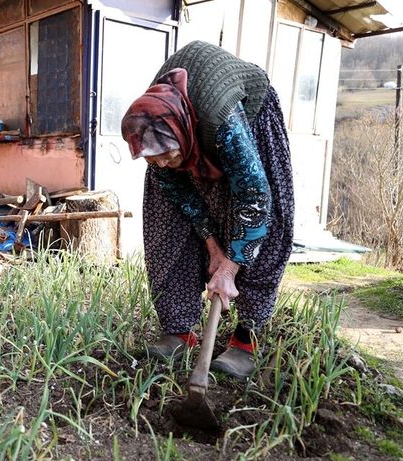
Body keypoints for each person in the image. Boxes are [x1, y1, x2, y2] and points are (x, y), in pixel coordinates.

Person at [120, 41, 295, 380]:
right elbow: (182, 196)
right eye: (152, 157)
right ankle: (179, 332)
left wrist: (230, 267)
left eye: (166, 155)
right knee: (165, 221)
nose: (160, 162)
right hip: (189, 127)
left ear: (182, 137)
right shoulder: (155, 126)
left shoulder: (223, 122)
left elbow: (255, 197)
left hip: (248, 118)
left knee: (264, 226)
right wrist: (213, 247)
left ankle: (246, 341)